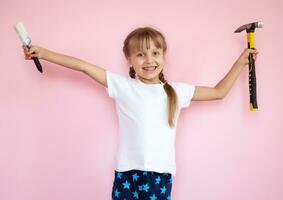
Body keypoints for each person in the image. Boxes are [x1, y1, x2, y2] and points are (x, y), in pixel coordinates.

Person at [22, 26, 258, 200]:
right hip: (126, 172)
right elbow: (83, 66)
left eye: (155, 53)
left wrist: (240, 63)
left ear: (164, 57)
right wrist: (44, 53)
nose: (149, 60)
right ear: (129, 60)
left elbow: (218, 92)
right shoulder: (123, 86)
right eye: (141, 54)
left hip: (159, 175)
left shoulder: (176, 91)